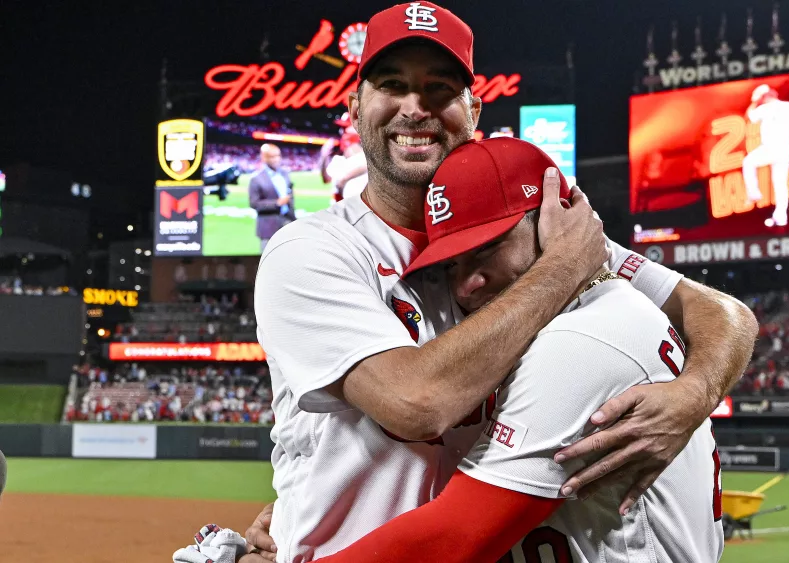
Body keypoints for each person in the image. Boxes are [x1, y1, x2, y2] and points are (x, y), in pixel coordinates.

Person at [239, 3, 756, 562]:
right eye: (392, 85)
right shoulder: (313, 251)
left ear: (473, 110)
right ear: (355, 106)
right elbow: (417, 405)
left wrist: (693, 396)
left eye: (440, 88)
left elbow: (724, 313)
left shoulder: (527, 231)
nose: (415, 108)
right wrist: (560, 270)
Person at [313, 138, 724, 563]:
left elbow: (451, 540)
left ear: (558, 223)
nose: (465, 284)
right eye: (453, 263)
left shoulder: (583, 340)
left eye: (487, 248)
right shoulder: (607, 308)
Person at [743, 84, 789, 228]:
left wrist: (755, 100)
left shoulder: (764, 108)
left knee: (748, 162)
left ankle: (753, 193)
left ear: (767, 97)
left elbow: (750, 116)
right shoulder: (788, 106)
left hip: (771, 147)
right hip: (785, 148)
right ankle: (781, 217)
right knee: (780, 184)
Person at [248, 144, 296, 252]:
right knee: (268, 263)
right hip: (268, 227)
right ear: (264, 157)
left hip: (287, 222)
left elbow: (290, 196)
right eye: (272, 156)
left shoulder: (285, 174)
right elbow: (253, 203)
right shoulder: (256, 178)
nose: (276, 159)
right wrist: (276, 203)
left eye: (278, 156)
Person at [320, 122, 368, 202]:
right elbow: (326, 179)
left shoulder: (365, 157)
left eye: (345, 128)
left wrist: (344, 179)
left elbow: (369, 166)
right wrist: (324, 156)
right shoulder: (338, 159)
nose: (342, 132)